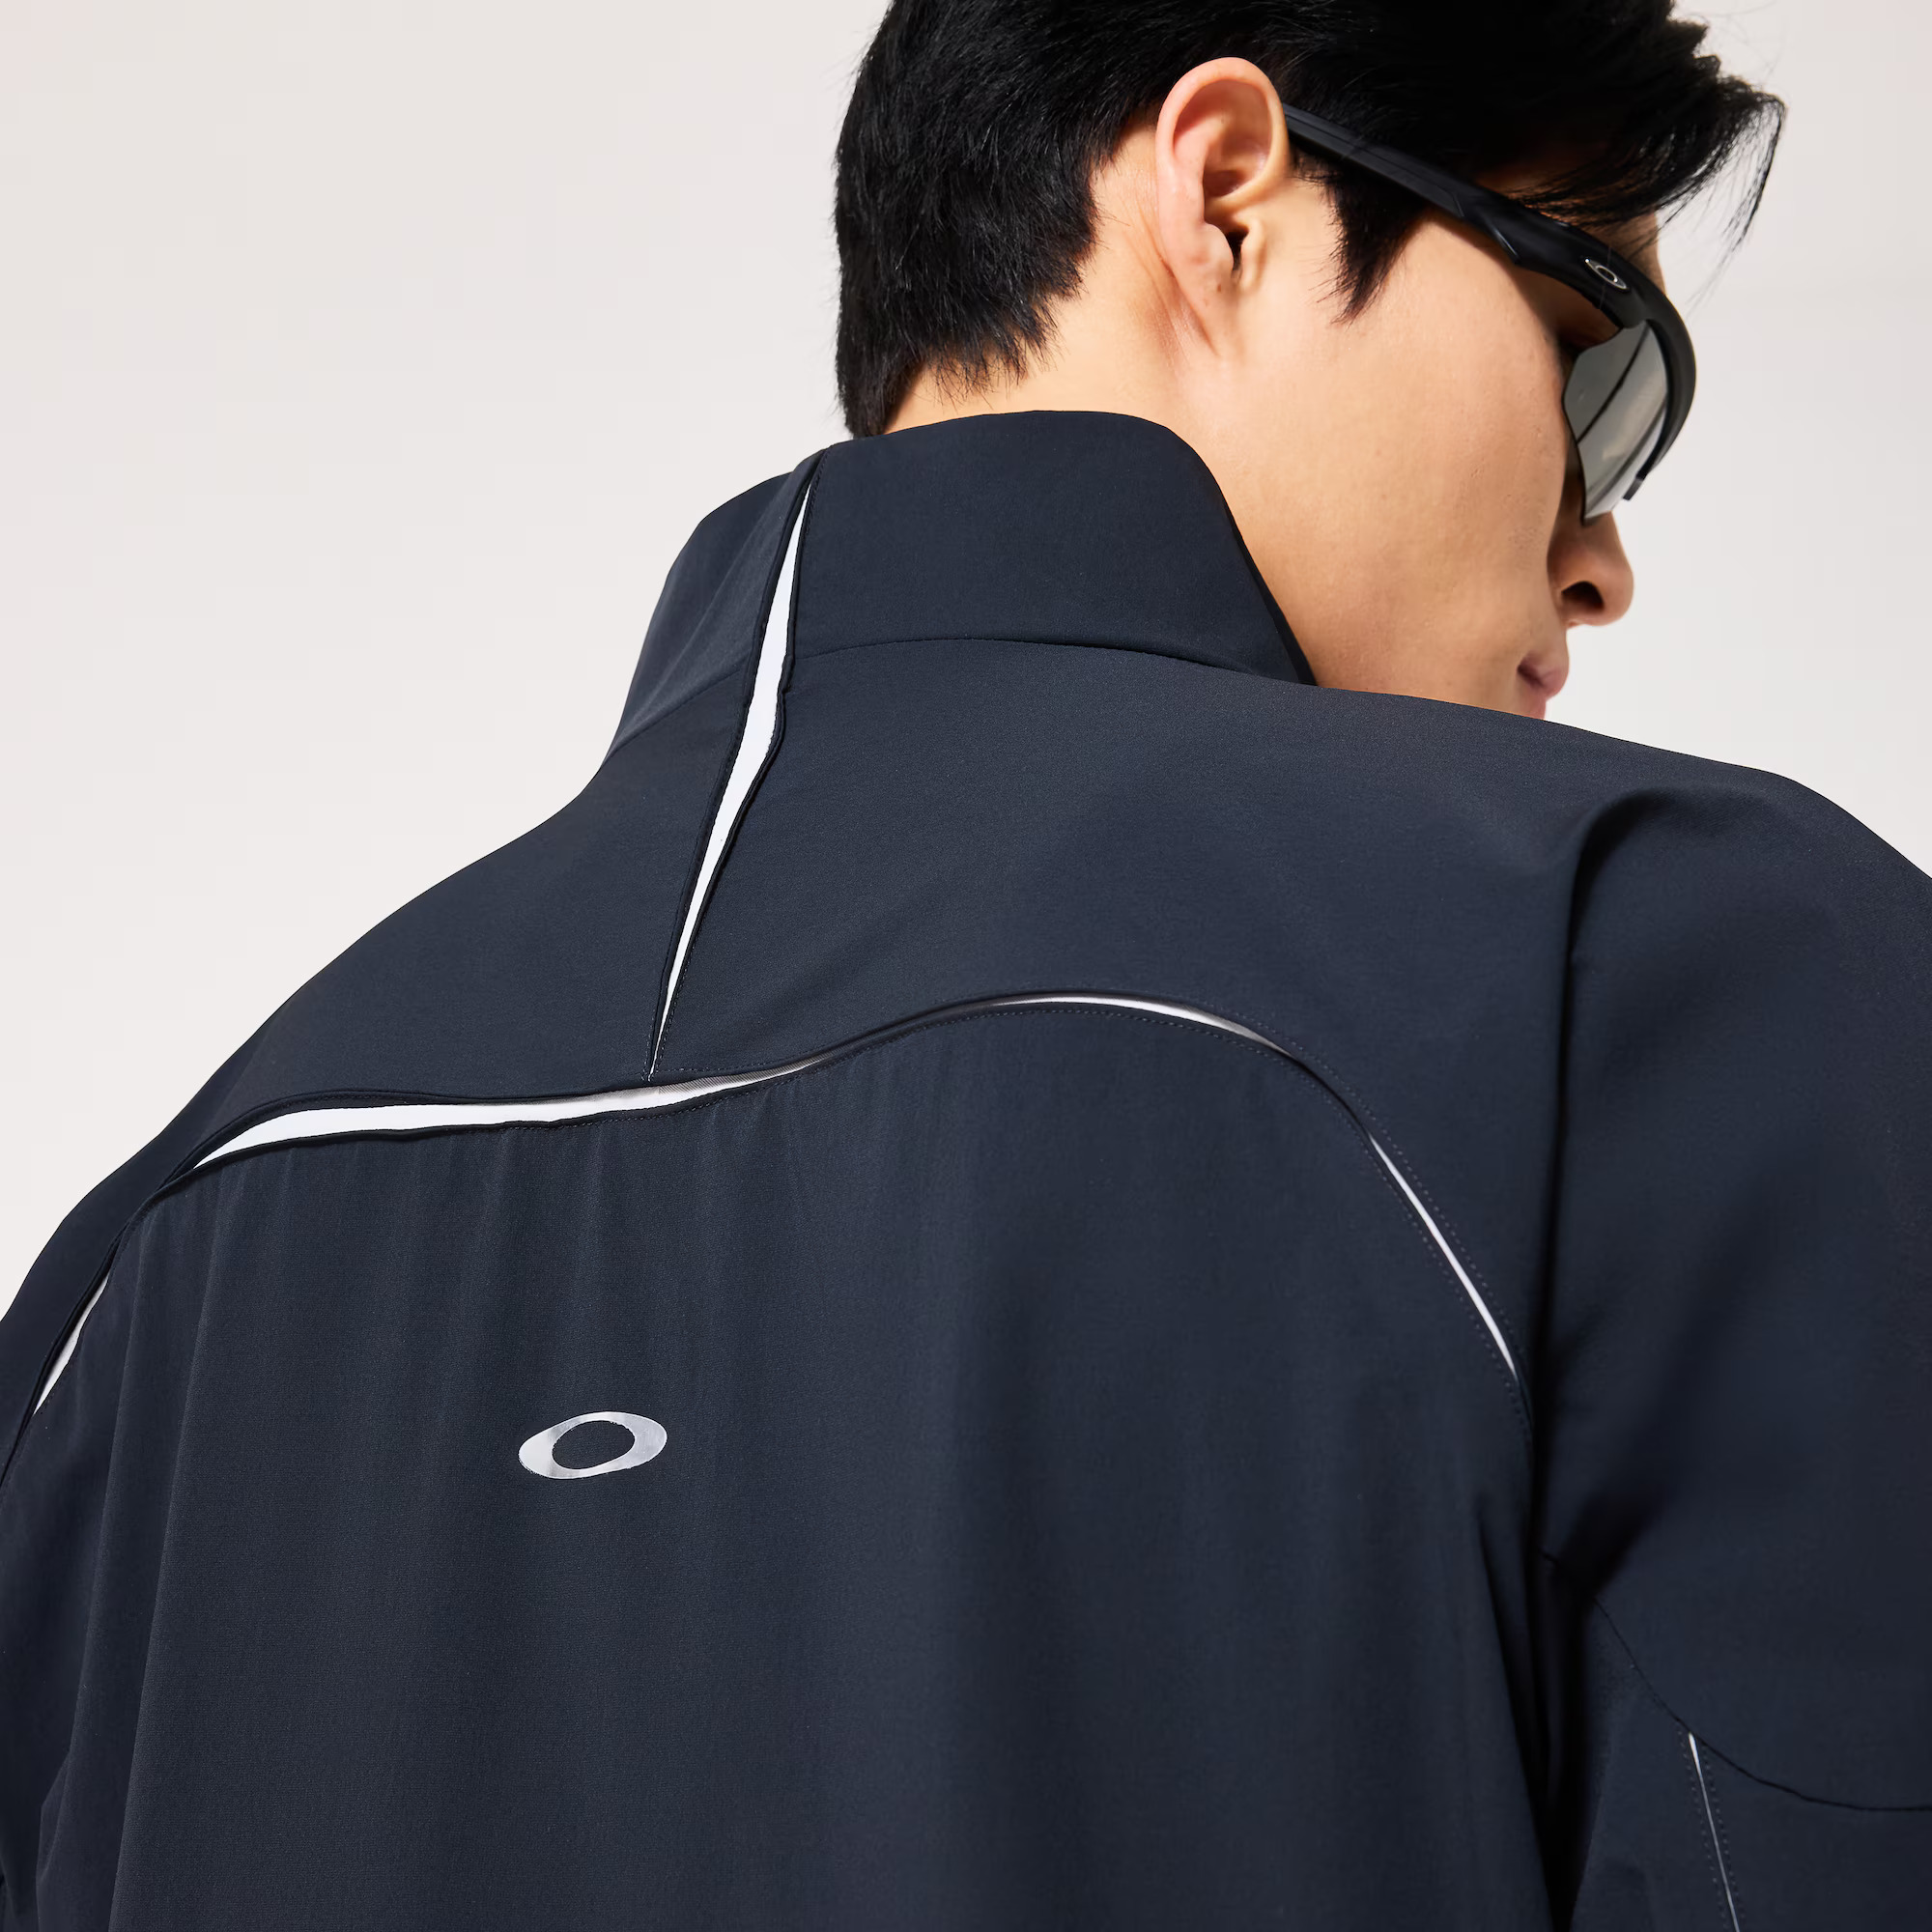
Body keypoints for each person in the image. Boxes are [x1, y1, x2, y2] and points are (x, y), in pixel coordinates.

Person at [2, 1, 1927, 1923]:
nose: (1600, 555)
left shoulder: (156, 1252)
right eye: (1601, 375)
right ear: (1229, 197)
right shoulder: (1667, 968)